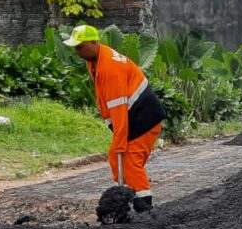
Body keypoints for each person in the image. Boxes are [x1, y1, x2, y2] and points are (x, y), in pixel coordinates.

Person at [63, 23, 166, 214]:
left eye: (80, 46)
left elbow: (118, 107)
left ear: (94, 42)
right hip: (134, 116)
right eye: (75, 47)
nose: (77, 51)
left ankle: (144, 207)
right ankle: (129, 194)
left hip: (144, 118)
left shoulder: (110, 67)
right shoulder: (94, 60)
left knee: (130, 160)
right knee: (116, 158)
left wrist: (119, 139)